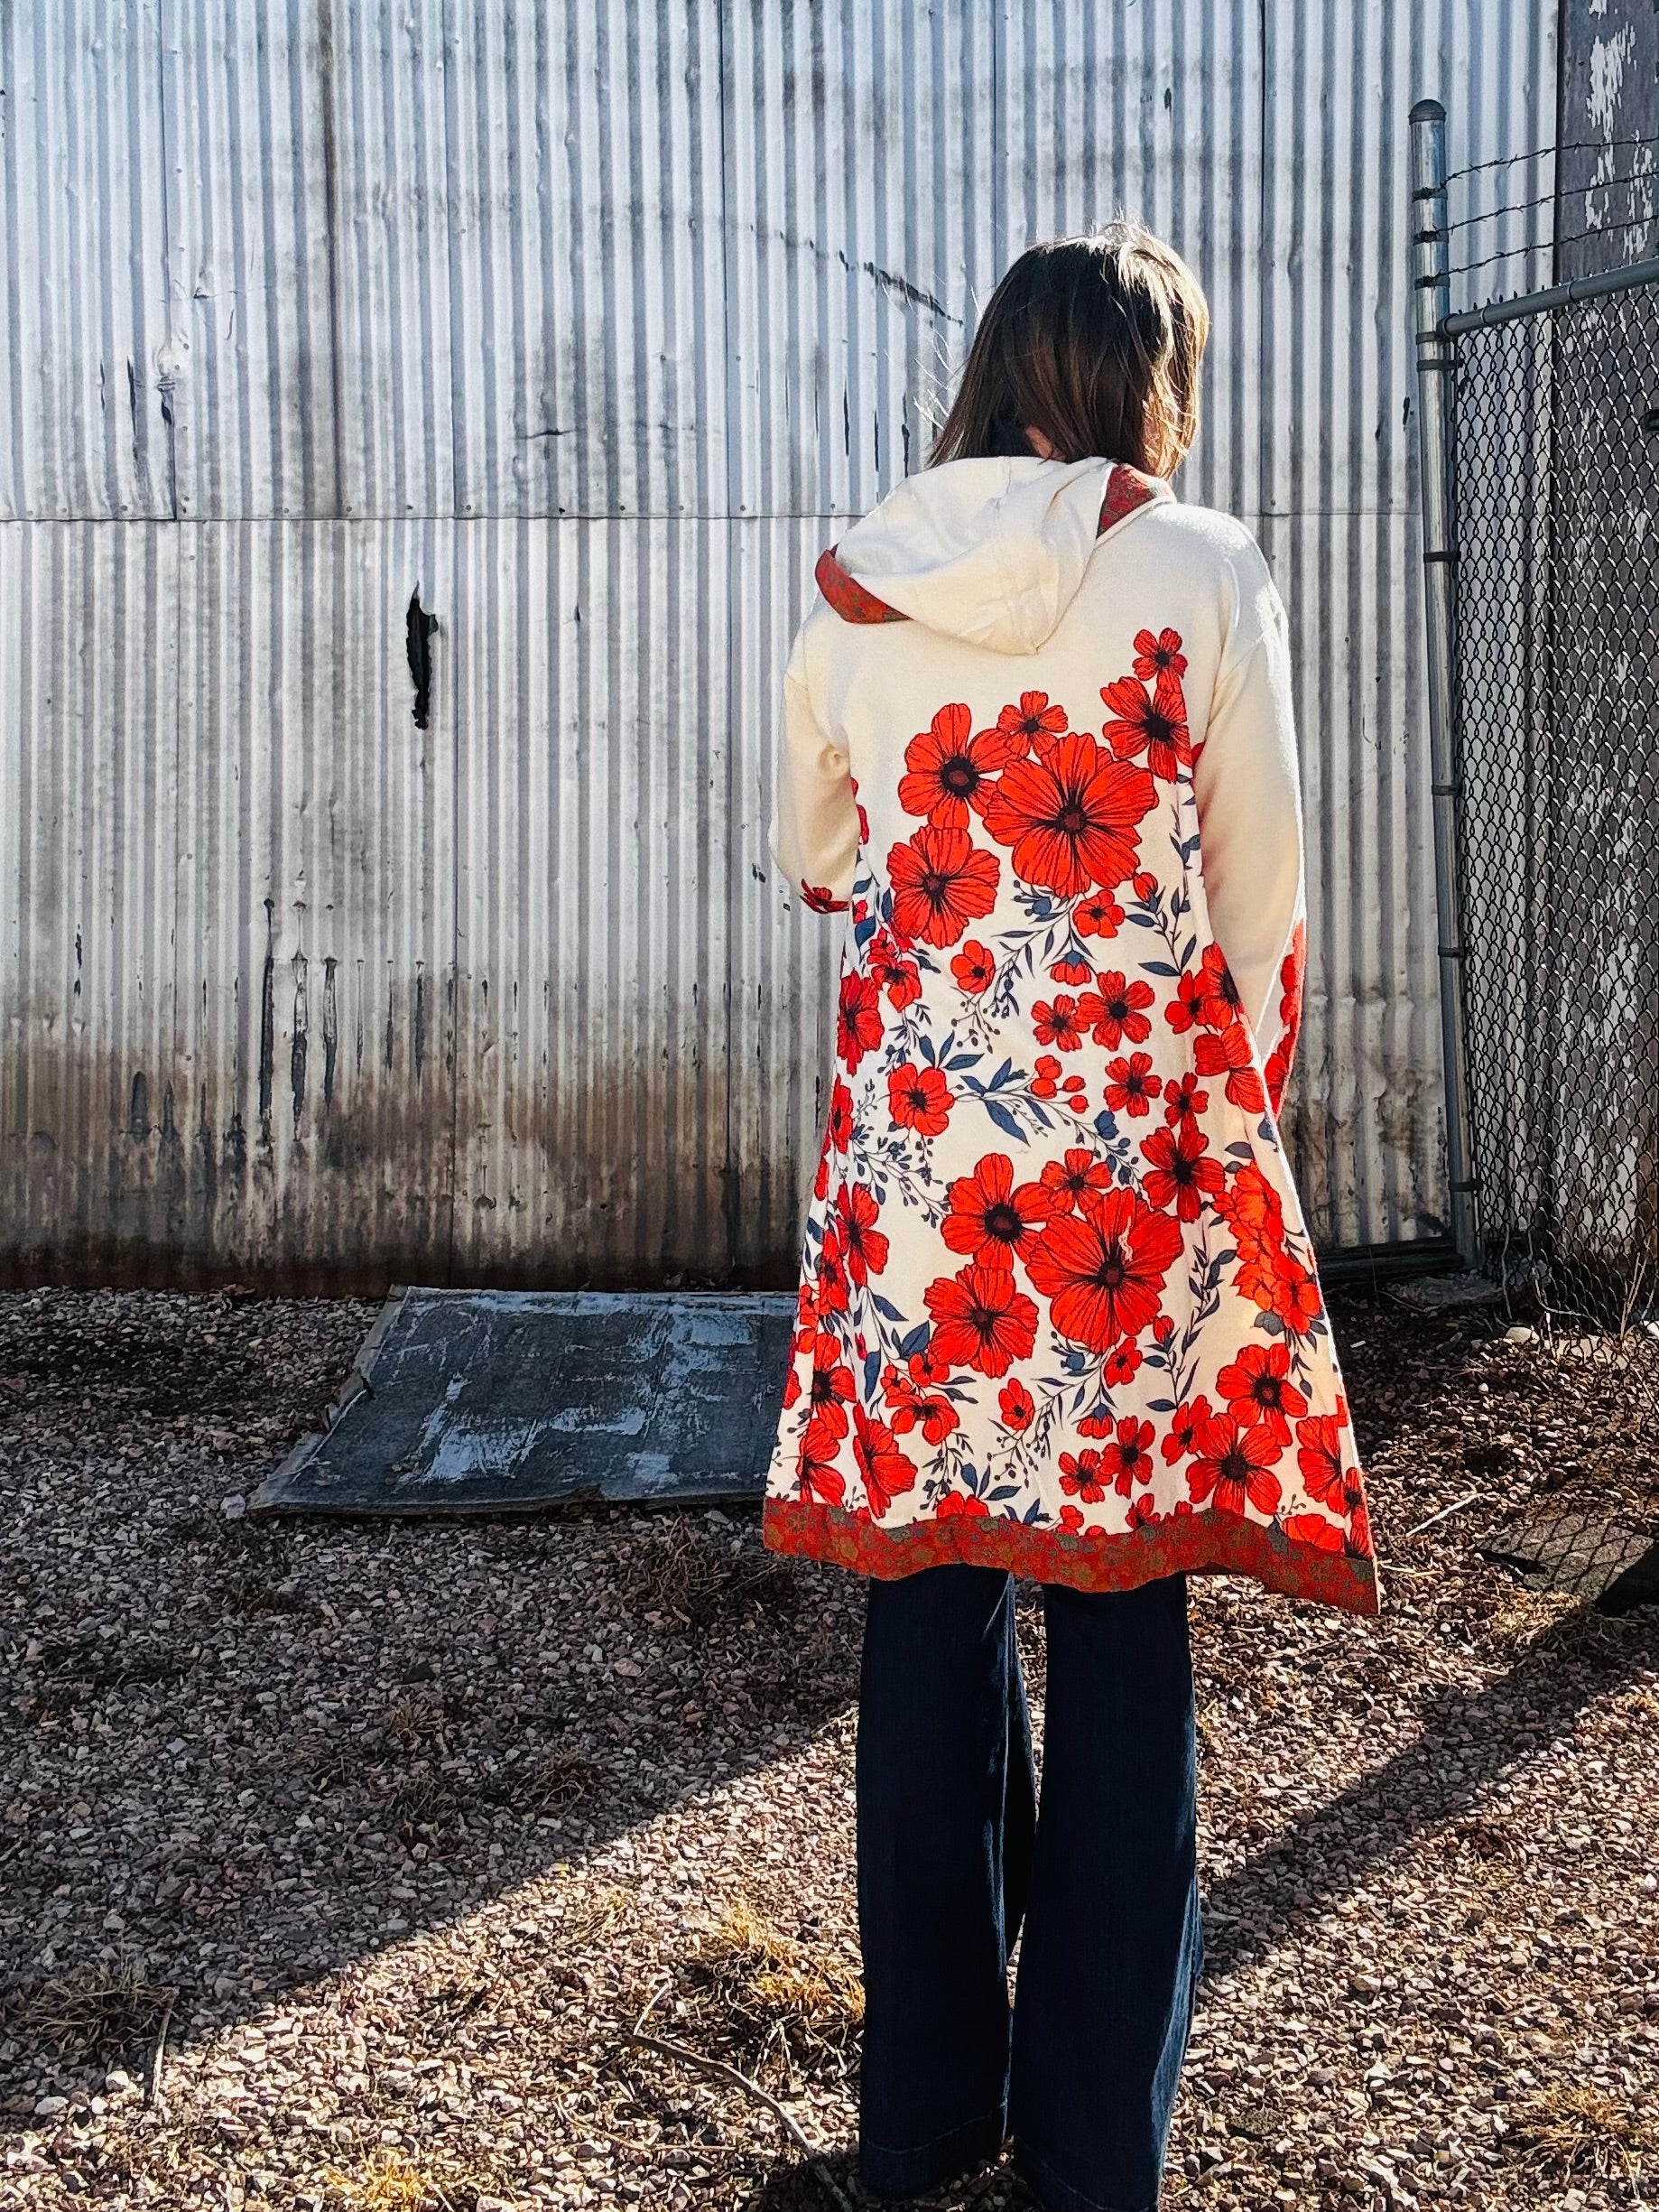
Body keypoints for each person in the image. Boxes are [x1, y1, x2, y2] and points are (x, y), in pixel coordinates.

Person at [761, 224, 1378, 2212]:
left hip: (921, 1190)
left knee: (927, 1622)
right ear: (1149, 380)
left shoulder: (861, 577)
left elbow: (813, 850)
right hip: (1119, 1179)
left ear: (989, 367)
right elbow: (1263, 896)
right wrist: (1227, 1113)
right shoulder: (1199, 568)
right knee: (1120, 1634)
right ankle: (1092, 2152)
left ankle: (921, 2116)